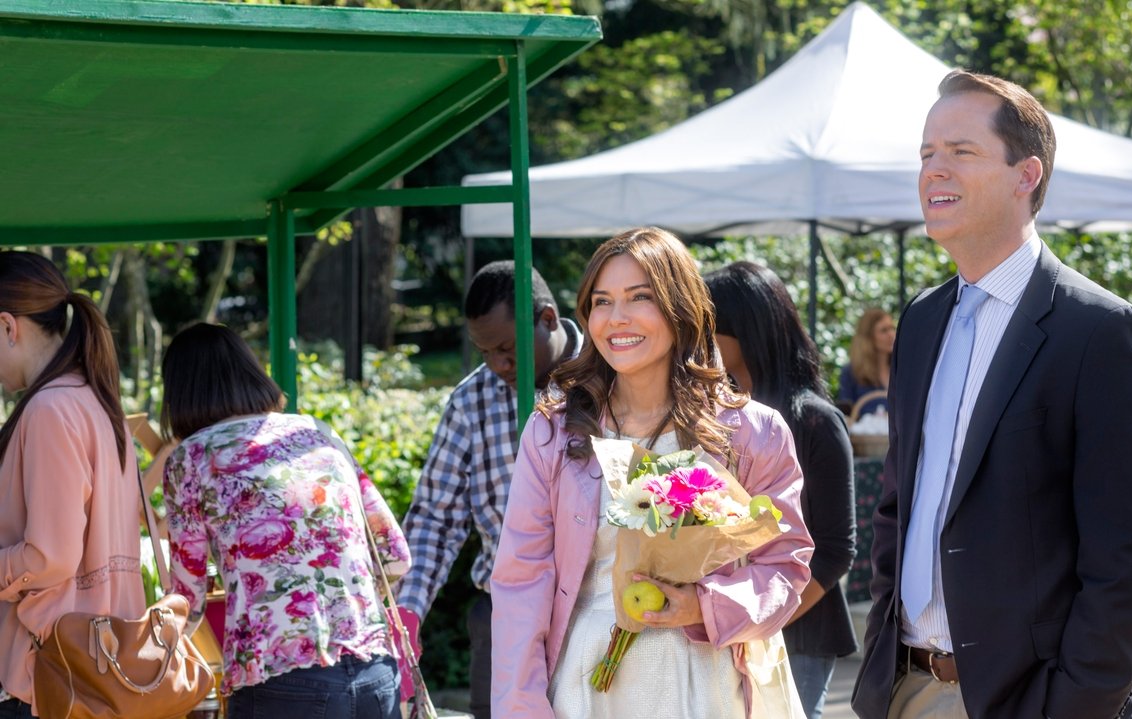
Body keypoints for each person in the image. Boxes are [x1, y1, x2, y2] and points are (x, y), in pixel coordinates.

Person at [851, 70, 1132, 719]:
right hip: (907, 689)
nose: (933, 171)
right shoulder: (919, 322)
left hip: (1033, 698)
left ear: (1025, 176)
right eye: (926, 154)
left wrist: (1075, 701)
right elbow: (899, 506)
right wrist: (882, 666)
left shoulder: (1100, 331)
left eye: (960, 152)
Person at [491, 227, 814, 718]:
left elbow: (785, 568)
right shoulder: (553, 434)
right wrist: (521, 707)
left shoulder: (753, 432)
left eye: (639, 298)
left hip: (704, 680)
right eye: (602, 301)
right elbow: (521, 583)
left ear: (678, 306)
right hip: (586, 683)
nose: (616, 319)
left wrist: (701, 606)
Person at [159, 322, 411, 718]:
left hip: (279, 679)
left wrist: (149, 660)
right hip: (376, 670)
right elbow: (396, 556)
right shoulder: (319, 434)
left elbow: (187, 598)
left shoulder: (191, 458)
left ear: (178, 392)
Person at [397, 260, 581, 719]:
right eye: (485, 353)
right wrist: (408, 611)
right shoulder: (470, 401)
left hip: (594, 614)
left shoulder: (613, 377)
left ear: (548, 320)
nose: (499, 365)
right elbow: (435, 520)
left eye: (507, 348)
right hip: (503, 619)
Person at [705, 261, 857, 719]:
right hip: (727, 626)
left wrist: (764, 620)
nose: (698, 343)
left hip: (800, 635)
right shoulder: (713, 416)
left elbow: (836, 550)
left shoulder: (816, 421)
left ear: (747, 331)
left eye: (710, 329)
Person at [0, 252, 142, 719]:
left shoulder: (49, 410)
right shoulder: (99, 403)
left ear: (7, 326)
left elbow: (48, 556)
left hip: (46, 678)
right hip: (100, 672)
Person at [836, 308, 895, 418]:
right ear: (868, 337)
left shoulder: (901, 370)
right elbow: (846, 416)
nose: (891, 334)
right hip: (865, 435)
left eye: (892, 328)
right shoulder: (851, 373)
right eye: (884, 330)